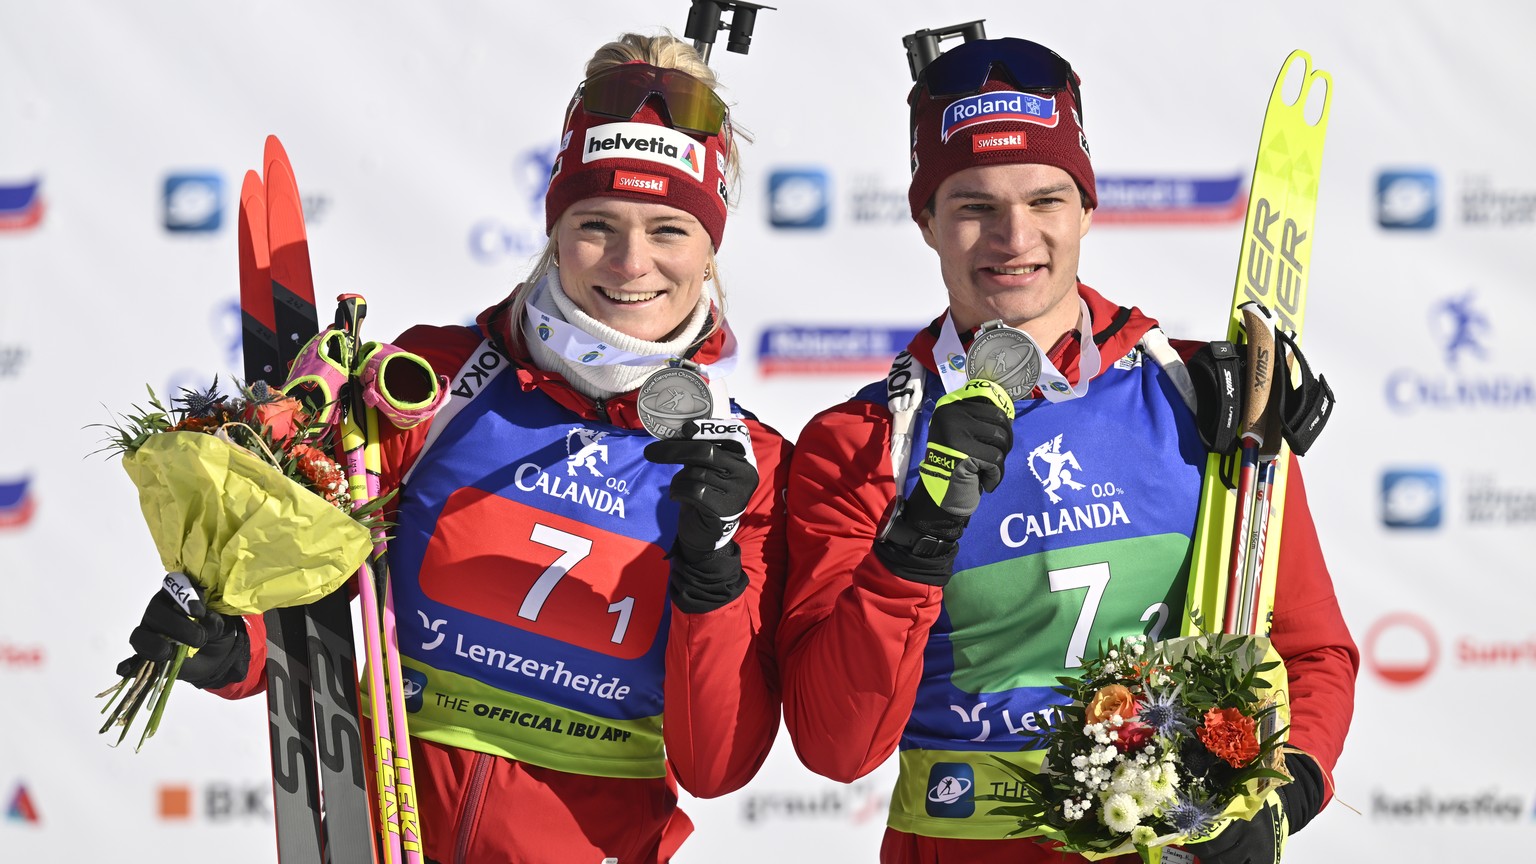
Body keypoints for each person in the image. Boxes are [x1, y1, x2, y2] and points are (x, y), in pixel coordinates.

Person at [122, 32, 789, 863]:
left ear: (709, 249)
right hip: (389, 835)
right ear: (554, 226)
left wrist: (712, 567)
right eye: (596, 224)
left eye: (668, 229)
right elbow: (314, 607)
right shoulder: (435, 379)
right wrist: (234, 645)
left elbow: (717, 761)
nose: (629, 263)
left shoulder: (744, 463)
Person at [776, 33, 1357, 864]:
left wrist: (1284, 795)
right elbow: (837, 746)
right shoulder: (863, 444)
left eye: (1046, 200)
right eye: (974, 206)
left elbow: (1310, 647)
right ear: (925, 221)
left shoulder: (1204, 395)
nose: (1015, 238)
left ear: (1087, 209)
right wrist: (916, 545)